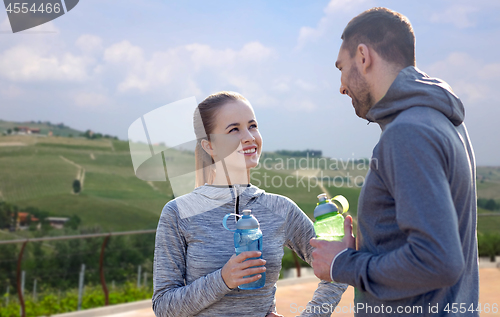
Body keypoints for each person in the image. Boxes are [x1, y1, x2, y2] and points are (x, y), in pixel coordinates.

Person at [310, 7, 478, 317]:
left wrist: (342, 263)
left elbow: (438, 260)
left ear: (363, 56)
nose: (341, 86)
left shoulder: (408, 132)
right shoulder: (441, 121)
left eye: (341, 68)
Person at [152, 91, 347, 317]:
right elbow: (164, 306)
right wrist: (224, 279)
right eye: (234, 129)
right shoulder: (178, 213)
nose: (249, 137)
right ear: (209, 146)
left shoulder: (281, 209)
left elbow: (338, 266)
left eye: (252, 126)